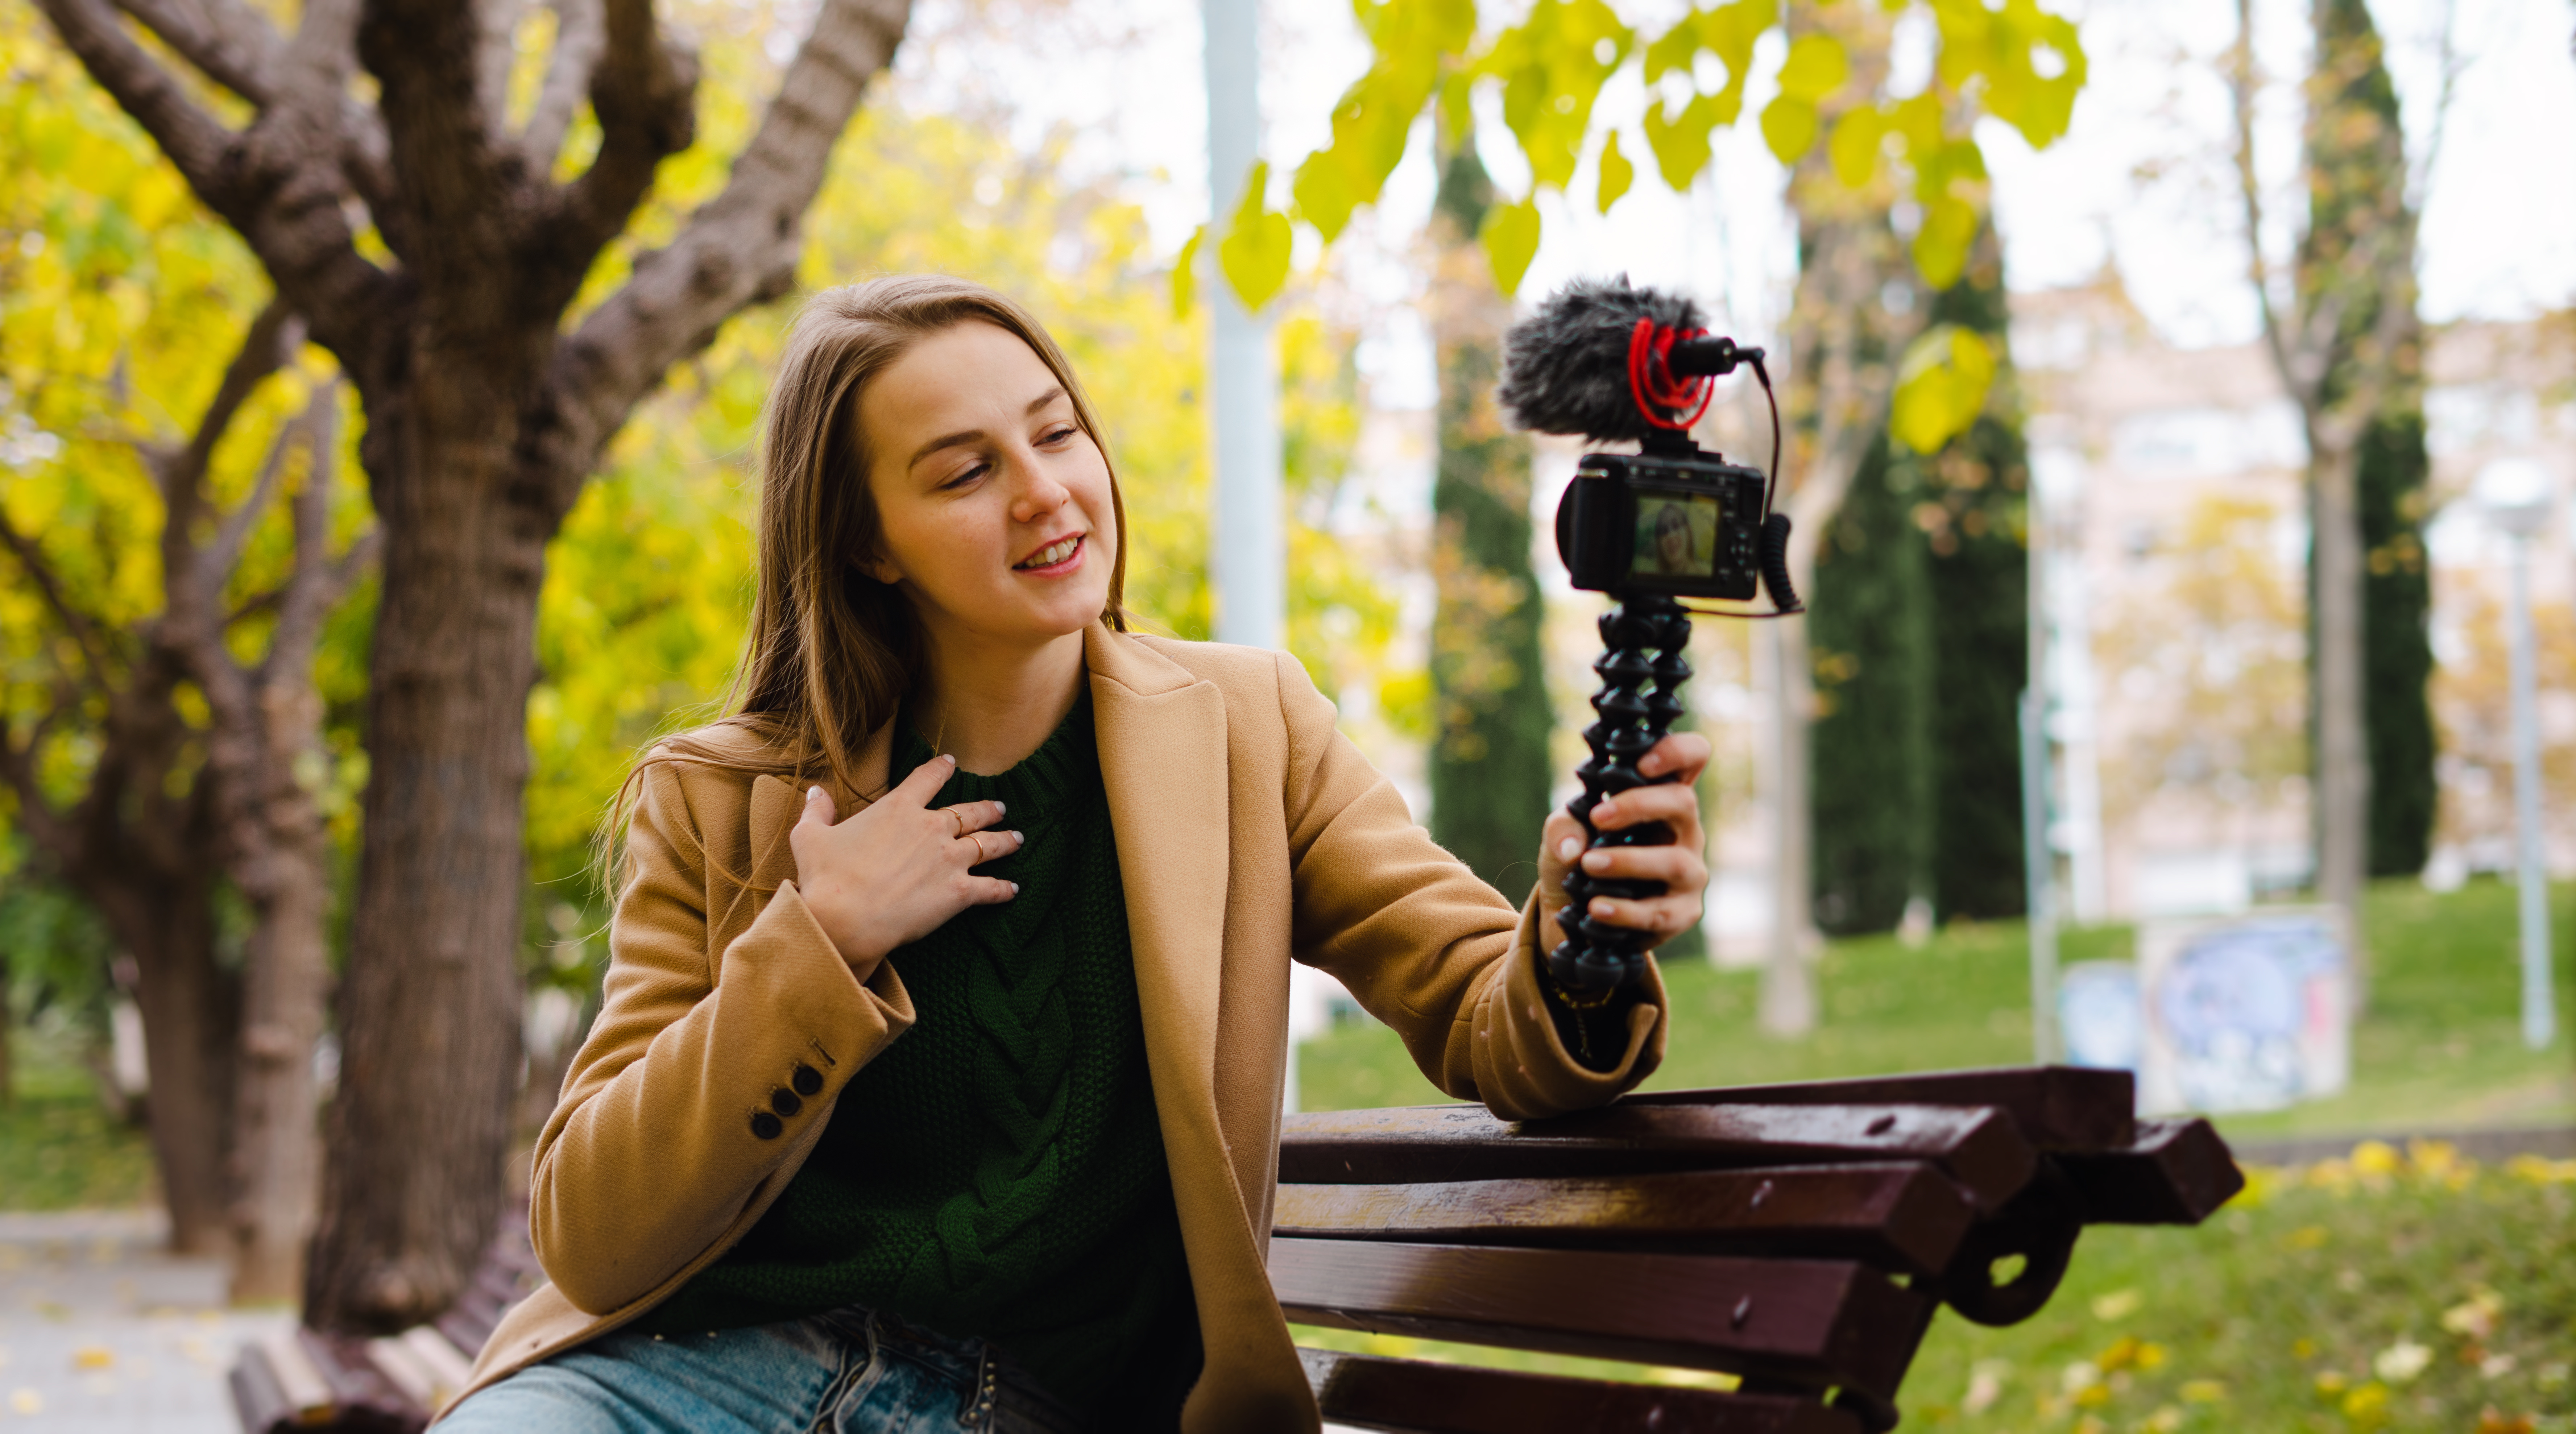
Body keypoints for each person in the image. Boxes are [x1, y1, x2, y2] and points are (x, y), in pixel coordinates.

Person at [436, 275, 1710, 1434]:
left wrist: (1580, 934)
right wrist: (817, 947)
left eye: (1055, 432)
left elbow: (1486, 1011)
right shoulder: (722, 796)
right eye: (961, 472)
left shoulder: (1248, 728)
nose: (1045, 491)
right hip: (707, 1381)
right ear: (866, 542)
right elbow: (592, 1239)